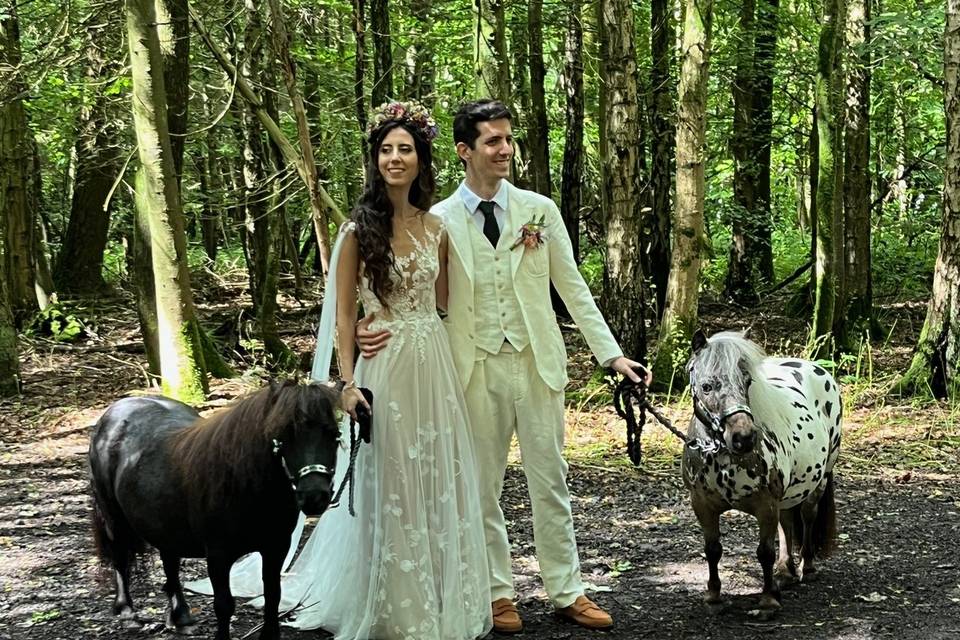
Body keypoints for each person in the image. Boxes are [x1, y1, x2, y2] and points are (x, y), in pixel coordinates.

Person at [192, 101, 493, 640]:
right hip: (386, 367)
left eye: (405, 149)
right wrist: (349, 380)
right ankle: (395, 602)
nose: (395, 159)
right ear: (375, 161)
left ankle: (443, 592)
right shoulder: (357, 231)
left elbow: (447, 301)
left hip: (435, 367)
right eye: (386, 150)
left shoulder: (438, 228)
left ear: (422, 159)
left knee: (435, 477)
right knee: (392, 480)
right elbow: (343, 316)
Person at [358, 98, 651, 634]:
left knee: (551, 481)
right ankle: (497, 592)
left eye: (508, 139)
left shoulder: (539, 209)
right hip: (471, 368)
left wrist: (610, 353)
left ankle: (567, 590)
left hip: (538, 363)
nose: (506, 150)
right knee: (481, 486)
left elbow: (572, 286)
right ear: (465, 150)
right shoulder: (438, 220)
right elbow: (410, 289)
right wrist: (369, 322)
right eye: (493, 141)